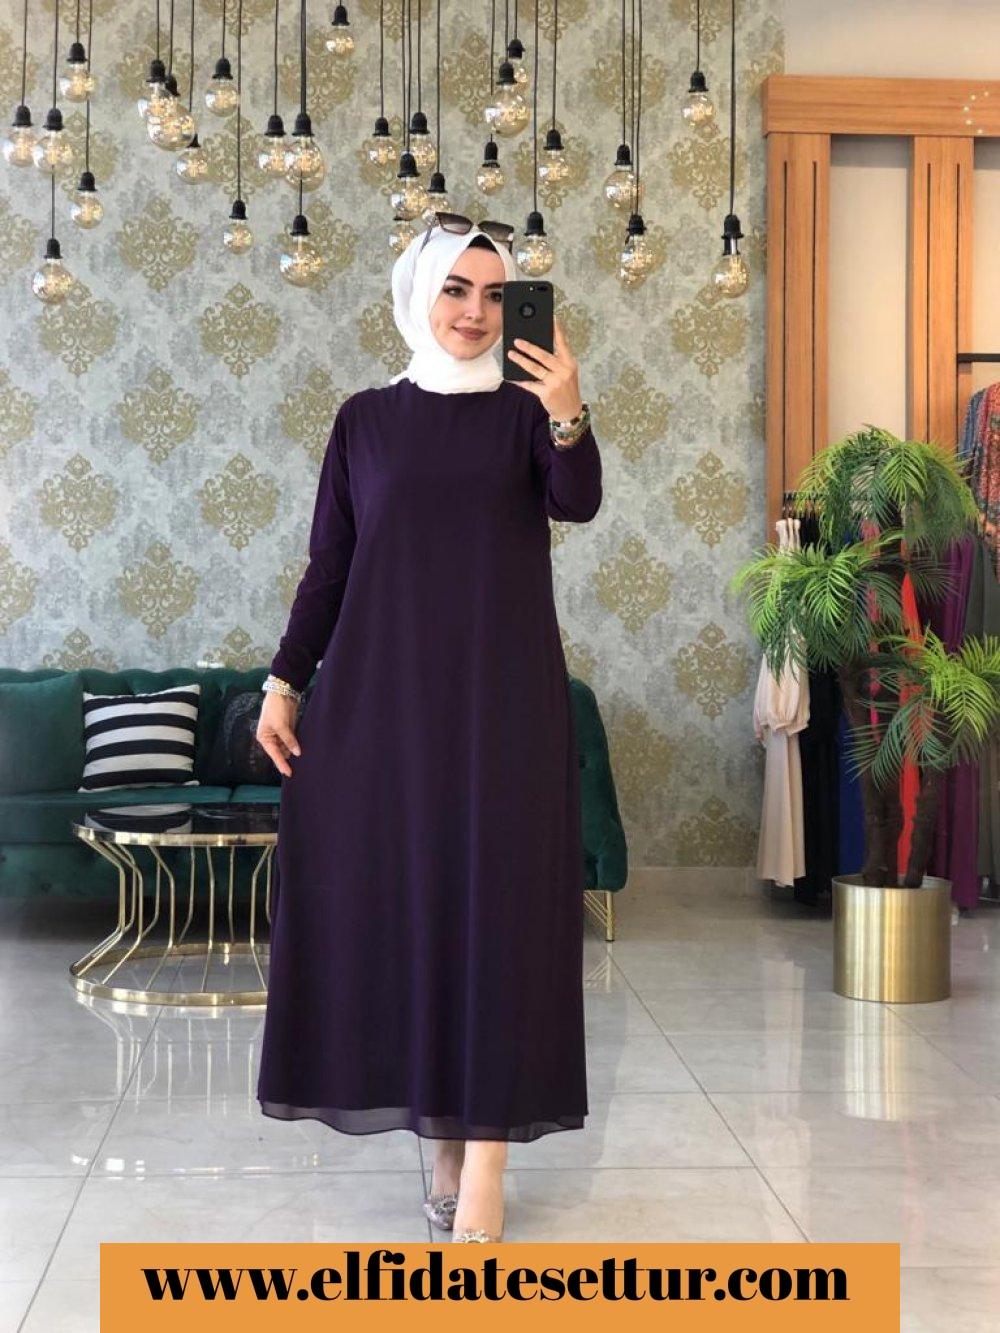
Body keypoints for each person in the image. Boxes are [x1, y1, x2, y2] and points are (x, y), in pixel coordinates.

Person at [254, 213, 603, 1244]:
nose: (476, 312)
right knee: (412, 914)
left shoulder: (527, 413)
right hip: (384, 707)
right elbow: (331, 565)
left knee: (502, 918)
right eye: (455, 288)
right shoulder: (364, 420)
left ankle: (485, 1156)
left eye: (495, 294)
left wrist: (569, 412)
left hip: (506, 707)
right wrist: (283, 680)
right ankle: (443, 1136)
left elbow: (577, 502)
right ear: (417, 295)